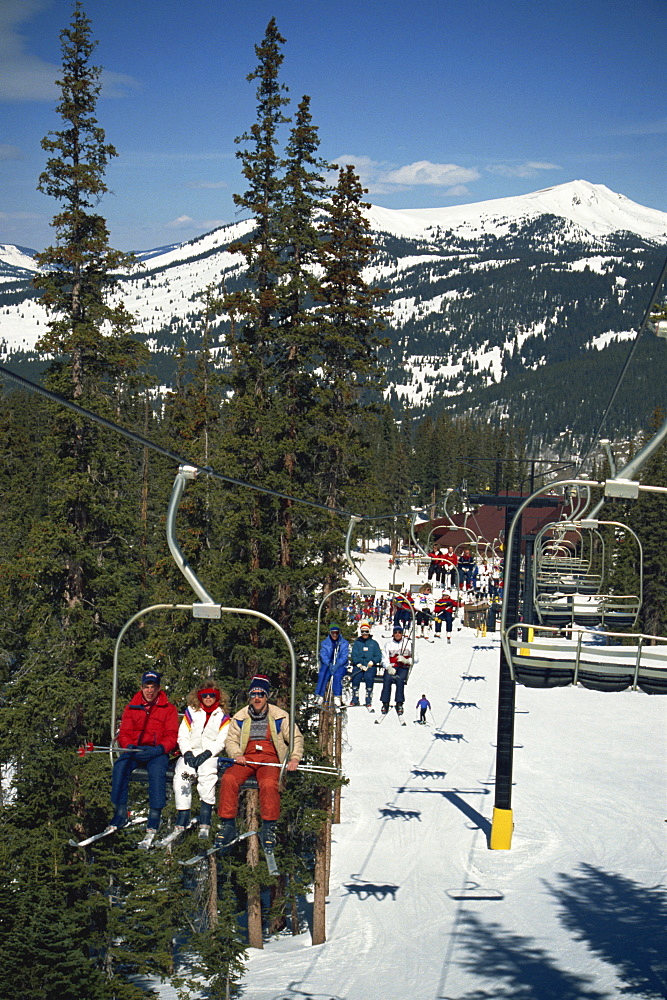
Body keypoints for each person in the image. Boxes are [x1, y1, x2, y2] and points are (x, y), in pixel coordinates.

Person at [217, 675, 303, 854]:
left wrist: (294, 758)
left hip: (270, 756)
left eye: (261, 695)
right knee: (229, 778)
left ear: (267, 697)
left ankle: (268, 827)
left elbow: (295, 737)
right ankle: (227, 824)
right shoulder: (241, 717)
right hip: (247, 757)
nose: (257, 699)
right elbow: (231, 740)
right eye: (254, 695)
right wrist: (237, 754)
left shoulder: (279, 716)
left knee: (269, 783)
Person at [108, 670, 179, 848]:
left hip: (156, 752)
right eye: (146, 687)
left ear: (158, 689)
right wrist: (129, 747)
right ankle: (120, 811)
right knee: (120, 767)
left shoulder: (168, 709)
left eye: (152, 687)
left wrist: (160, 749)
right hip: (135, 750)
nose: (149, 691)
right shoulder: (132, 707)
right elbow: (125, 732)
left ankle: (155, 815)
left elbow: (172, 735)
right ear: (141, 688)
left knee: (157, 772)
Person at [170, 681, 230, 842]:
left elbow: (221, 740)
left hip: (209, 754)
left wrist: (208, 753)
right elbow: (183, 734)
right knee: (182, 775)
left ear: (217, 697)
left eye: (212, 695)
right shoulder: (191, 712)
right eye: (205, 695)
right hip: (191, 751)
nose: (208, 698)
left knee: (207, 777)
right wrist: (187, 752)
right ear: (200, 696)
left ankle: (205, 818)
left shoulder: (222, 716)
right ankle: (183, 815)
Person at [380, 626, 419, 716]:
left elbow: (416, 658)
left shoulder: (409, 644)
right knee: (387, 679)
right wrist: (388, 667)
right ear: (393, 634)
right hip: (392, 667)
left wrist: (406, 660)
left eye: (399, 632)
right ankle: (385, 703)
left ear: (402, 634)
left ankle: (399, 703)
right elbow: (384, 658)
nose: (398, 634)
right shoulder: (388, 644)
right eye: (396, 632)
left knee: (400, 680)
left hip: (402, 667)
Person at [349, 621, 383, 710]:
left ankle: (368, 697)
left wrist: (373, 661)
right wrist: (358, 663)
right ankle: (355, 696)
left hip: (370, 666)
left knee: (369, 677)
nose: (365, 634)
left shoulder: (374, 643)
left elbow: (378, 655)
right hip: (359, 665)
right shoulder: (357, 643)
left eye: (366, 632)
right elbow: (354, 655)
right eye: (363, 632)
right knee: (356, 676)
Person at [315, 624, 350, 708]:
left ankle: (337, 697)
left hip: (339, 665)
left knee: (338, 675)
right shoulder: (325, 643)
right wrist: (329, 663)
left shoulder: (343, 643)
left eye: (336, 633)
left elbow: (344, 656)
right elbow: (323, 655)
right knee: (323, 674)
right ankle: (319, 696)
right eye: (333, 633)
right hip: (328, 664)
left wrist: (338, 664)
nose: (334, 635)